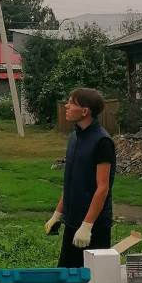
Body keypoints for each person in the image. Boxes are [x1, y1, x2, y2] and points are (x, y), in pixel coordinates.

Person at [44, 88, 116, 268]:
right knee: (66, 277)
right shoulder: (74, 137)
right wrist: (57, 214)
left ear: (85, 111)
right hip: (72, 221)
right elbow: (71, 182)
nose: (66, 106)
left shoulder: (102, 141)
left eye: (72, 103)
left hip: (94, 227)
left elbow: (103, 188)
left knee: (94, 282)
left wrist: (87, 225)